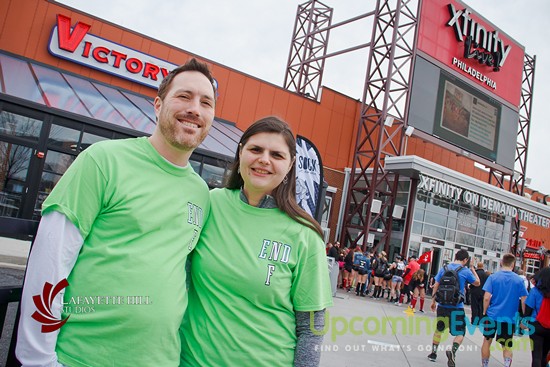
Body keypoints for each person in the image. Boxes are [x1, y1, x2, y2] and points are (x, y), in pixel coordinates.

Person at [16, 58, 217, 366]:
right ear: (158, 104)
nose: (195, 109)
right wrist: (37, 358)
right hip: (82, 358)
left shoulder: (201, 193)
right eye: (184, 96)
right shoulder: (104, 161)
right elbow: (50, 260)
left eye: (206, 102)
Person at [179, 116, 333, 366]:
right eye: (256, 149)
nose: (264, 159)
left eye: (277, 155)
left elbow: (311, 328)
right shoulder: (210, 203)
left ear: (290, 164)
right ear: (241, 153)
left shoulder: (304, 234)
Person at [427, 249, 480, 366]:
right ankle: (453, 351)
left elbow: (436, 285)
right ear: (465, 260)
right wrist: (473, 269)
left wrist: (433, 300)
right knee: (460, 332)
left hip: (442, 305)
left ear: (455, 256)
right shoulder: (465, 271)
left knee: (439, 329)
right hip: (457, 306)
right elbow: (477, 283)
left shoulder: (444, 268)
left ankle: (433, 354)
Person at [480, 254, 528, 367]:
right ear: (513, 264)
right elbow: (524, 300)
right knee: (507, 344)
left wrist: (484, 311)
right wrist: (524, 316)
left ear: (501, 262)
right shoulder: (518, 280)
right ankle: (507, 364)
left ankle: (485, 365)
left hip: (492, 315)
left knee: (487, 341)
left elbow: (486, 297)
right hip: (509, 317)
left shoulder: (493, 277)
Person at [521, 267, 550, 367]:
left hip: (536, 325)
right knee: (544, 355)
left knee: (536, 355)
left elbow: (528, 310)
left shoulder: (535, 291)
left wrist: (523, 322)